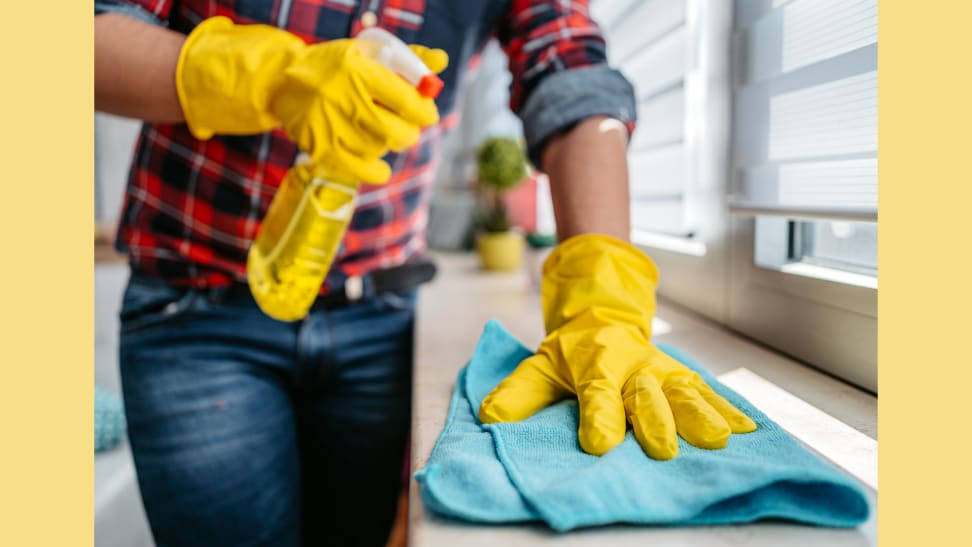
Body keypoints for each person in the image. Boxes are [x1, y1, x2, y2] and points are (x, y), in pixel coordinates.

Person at [95, 1, 756, 545]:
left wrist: (604, 300)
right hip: (193, 314)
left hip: (378, 321)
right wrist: (268, 77)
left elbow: (569, 69)